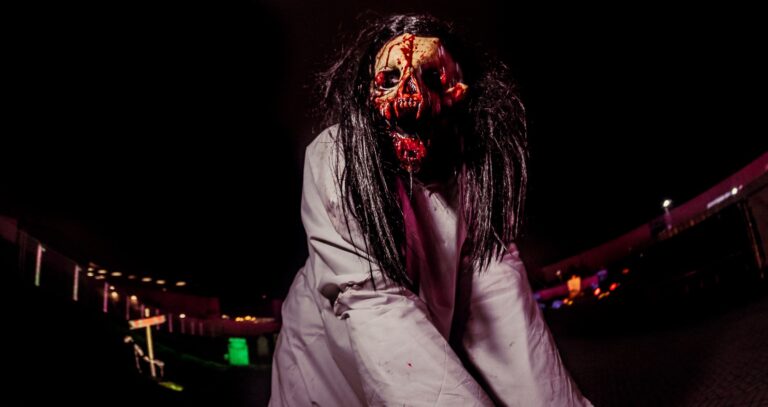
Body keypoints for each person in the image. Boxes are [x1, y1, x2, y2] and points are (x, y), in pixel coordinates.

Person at [270, 13, 592, 406]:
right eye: (390, 79)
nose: (410, 96)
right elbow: (378, 309)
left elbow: (498, 297)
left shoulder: (474, 164)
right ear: (367, 93)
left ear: (460, 91)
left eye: (433, 79)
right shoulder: (338, 160)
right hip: (325, 366)